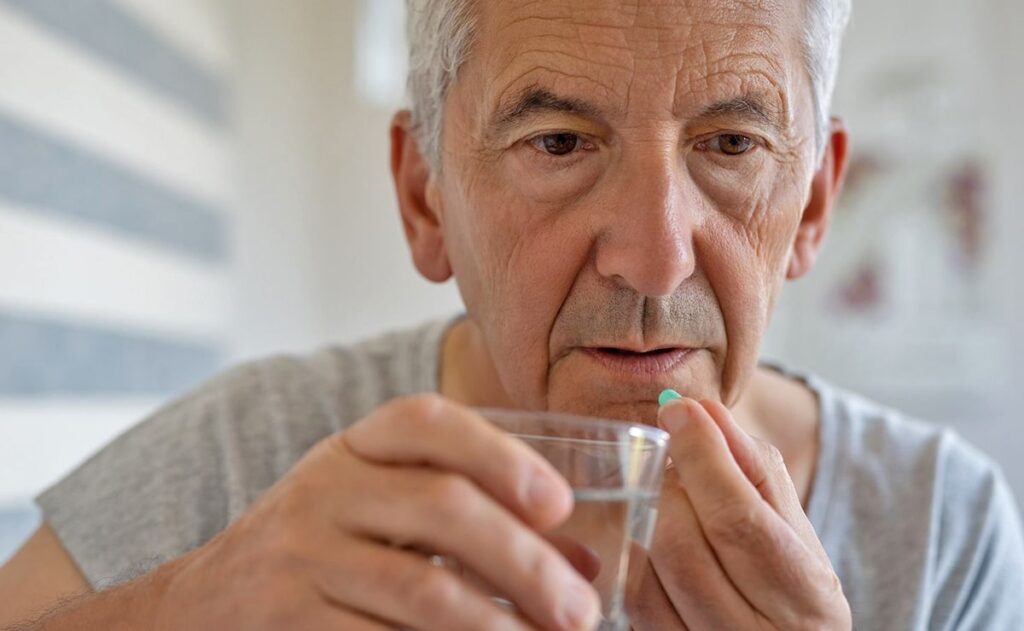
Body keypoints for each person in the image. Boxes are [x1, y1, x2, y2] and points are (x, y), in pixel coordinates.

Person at [3, 0, 1023, 629]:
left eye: (730, 146)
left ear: (812, 205)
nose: (654, 255)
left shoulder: (941, 524)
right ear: (423, 196)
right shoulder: (248, 457)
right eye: (559, 142)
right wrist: (179, 614)